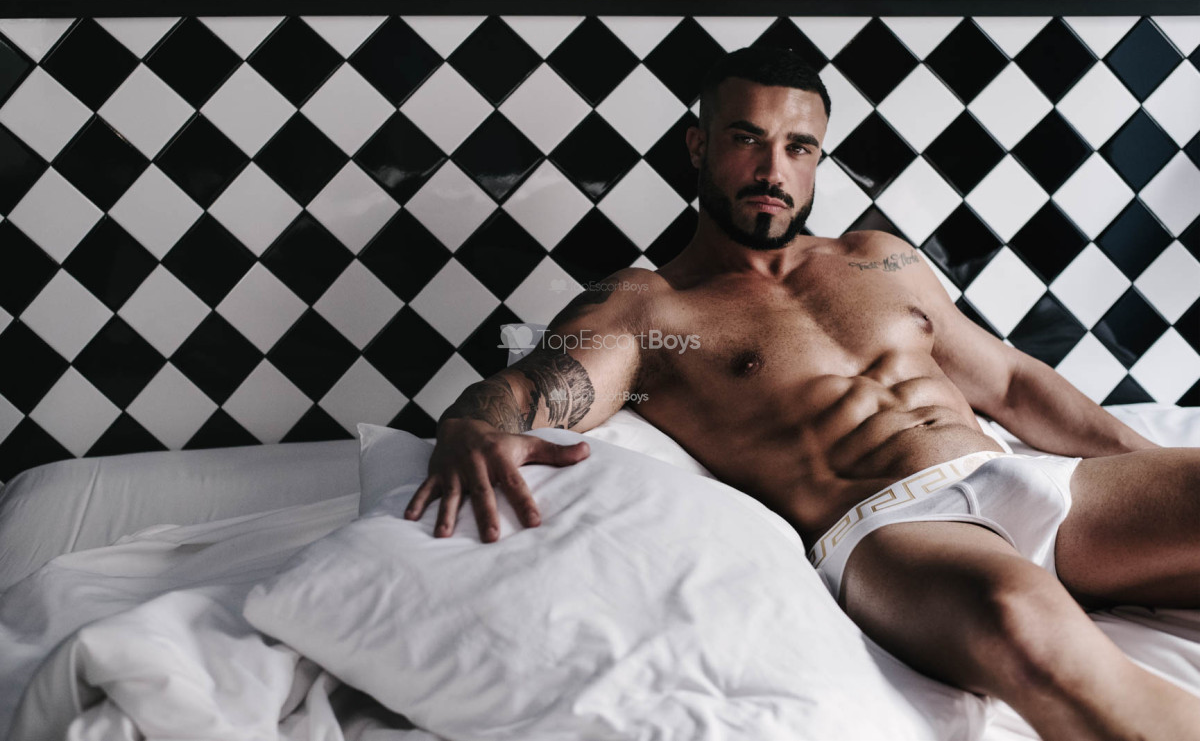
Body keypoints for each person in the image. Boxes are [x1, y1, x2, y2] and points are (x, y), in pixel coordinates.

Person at [405, 45, 1200, 740]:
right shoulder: (651, 307)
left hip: (1017, 474)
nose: (772, 170)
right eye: (746, 139)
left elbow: (1014, 381)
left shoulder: (879, 258)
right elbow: (536, 388)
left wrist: (1150, 468)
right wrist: (474, 423)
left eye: (798, 147)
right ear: (699, 145)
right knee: (1028, 632)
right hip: (895, 528)